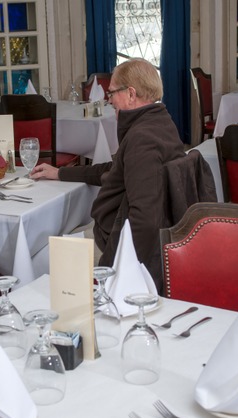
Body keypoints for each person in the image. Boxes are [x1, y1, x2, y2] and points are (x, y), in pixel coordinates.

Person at [30, 58, 187, 293]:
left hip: (115, 246)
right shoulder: (161, 122)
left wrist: (111, 275)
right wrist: (61, 172)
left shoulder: (142, 139)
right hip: (127, 234)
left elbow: (144, 219)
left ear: (131, 94)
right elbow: (114, 170)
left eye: (112, 92)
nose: (108, 99)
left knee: (36, 259)